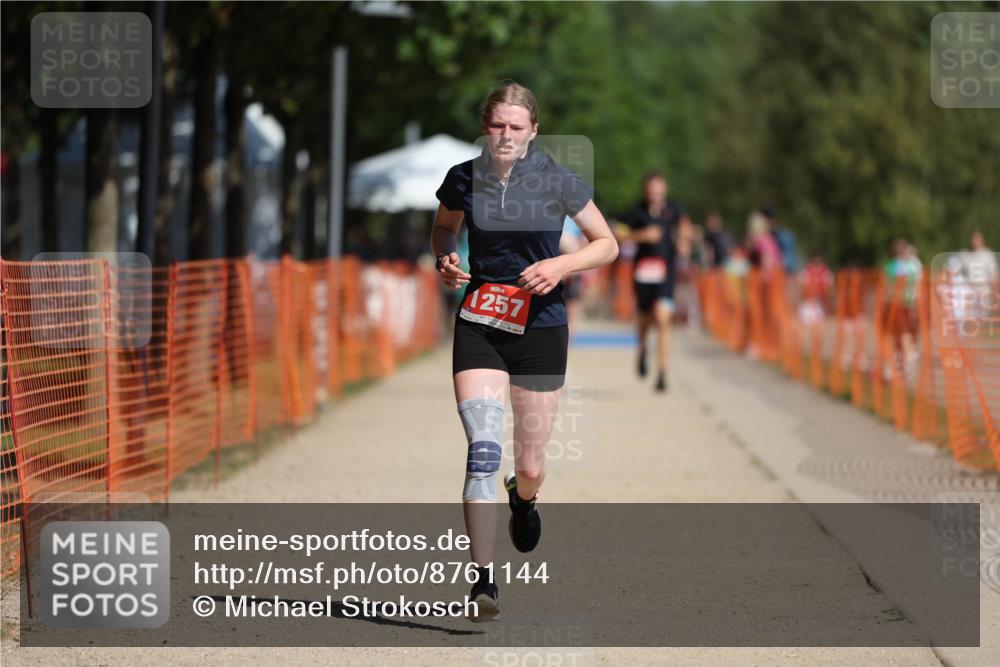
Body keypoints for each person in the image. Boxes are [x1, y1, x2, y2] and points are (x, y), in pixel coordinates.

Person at [432, 82, 618, 622]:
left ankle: (526, 496)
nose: (506, 135)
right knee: (483, 450)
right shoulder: (463, 178)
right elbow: (445, 228)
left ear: (533, 130)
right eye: (497, 125)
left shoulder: (558, 179)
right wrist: (444, 258)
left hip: (541, 327)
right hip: (480, 324)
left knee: (530, 463)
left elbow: (606, 243)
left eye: (516, 126)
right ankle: (484, 581)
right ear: (484, 127)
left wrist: (560, 267)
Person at [616, 171, 684, 393]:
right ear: (646, 191)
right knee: (645, 318)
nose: (654, 193)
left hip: (666, 272)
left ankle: (662, 373)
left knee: (663, 318)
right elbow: (618, 233)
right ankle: (643, 349)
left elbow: (685, 228)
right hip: (643, 273)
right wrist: (641, 235)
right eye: (650, 189)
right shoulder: (636, 212)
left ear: (665, 189)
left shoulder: (674, 210)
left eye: (658, 189)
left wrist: (685, 241)